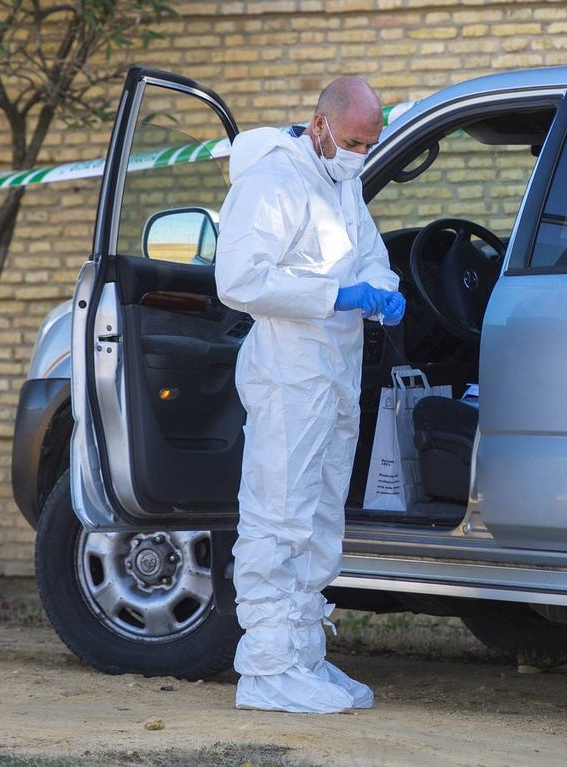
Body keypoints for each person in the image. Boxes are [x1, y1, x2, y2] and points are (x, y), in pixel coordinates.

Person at [215, 76, 405, 714]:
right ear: (319, 124)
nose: (361, 154)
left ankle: (302, 657)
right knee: (279, 515)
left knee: (321, 518)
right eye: (353, 141)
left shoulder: (341, 181)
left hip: (335, 372)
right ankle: (266, 670)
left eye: (369, 144)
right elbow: (238, 280)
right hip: (288, 373)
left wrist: (380, 288)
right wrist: (335, 295)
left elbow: (372, 255)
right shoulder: (271, 183)